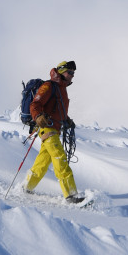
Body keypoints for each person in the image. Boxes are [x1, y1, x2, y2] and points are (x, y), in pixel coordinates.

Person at [24, 60, 85, 203]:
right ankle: (71, 195)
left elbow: (57, 110)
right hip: (47, 128)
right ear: (62, 71)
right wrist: (38, 116)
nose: (72, 75)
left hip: (55, 129)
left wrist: (66, 120)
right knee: (59, 158)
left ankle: (26, 187)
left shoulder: (61, 89)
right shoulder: (49, 86)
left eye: (73, 73)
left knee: (42, 162)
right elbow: (35, 104)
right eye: (70, 72)